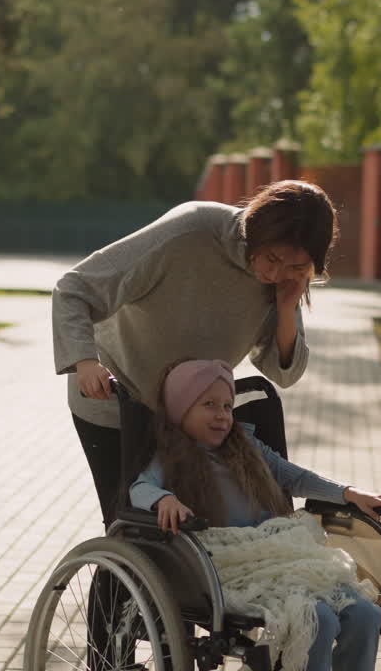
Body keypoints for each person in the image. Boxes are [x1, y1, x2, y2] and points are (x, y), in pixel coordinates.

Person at [51, 180, 339, 527]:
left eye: (295, 267)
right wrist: (85, 362)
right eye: (272, 258)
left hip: (190, 418)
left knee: (191, 533)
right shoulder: (191, 231)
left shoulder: (284, 280)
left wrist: (287, 306)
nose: (275, 274)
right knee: (132, 527)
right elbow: (74, 288)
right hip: (117, 399)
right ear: (256, 228)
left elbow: (284, 373)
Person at [130, 358, 381, 671]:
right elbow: (140, 488)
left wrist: (349, 493)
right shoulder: (170, 457)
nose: (222, 415)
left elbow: (296, 477)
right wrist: (163, 499)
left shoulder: (246, 445)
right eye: (209, 404)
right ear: (181, 410)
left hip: (282, 552)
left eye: (227, 406)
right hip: (229, 563)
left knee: (366, 614)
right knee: (318, 620)